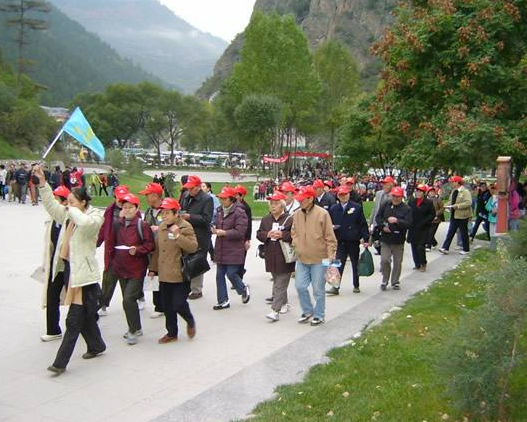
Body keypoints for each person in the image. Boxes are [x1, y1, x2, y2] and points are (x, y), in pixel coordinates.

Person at [35, 166, 106, 375]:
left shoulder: (94, 216)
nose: (67, 205)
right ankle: (97, 345)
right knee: (84, 318)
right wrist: (42, 183)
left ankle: (60, 363)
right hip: (69, 272)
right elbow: (51, 206)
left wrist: (72, 209)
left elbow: (83, 221)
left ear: (83, 203)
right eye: (67, 202)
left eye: (72, 202)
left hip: (84, 276)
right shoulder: (69, 215)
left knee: (73, 320)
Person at [149, 198, 199, 344]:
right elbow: (158, 251)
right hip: (164, 274)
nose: (164, 216)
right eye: (162, 213)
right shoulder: (162, 227)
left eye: (167, 213)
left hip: (180, 274)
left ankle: (190, 320)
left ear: (176, 213)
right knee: (167, 305)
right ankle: (171, 333)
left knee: (178, 303)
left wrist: (178, 236)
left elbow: (193, 247)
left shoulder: (185, 227)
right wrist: (153, 269)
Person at [291, 185, 337, 326]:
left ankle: (319, 314)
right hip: (302, 258)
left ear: (311, 198)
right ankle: (307, 311)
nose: (299, 201)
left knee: (318, 289)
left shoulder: (322, 214)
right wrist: (296, 244)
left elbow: (330, 237)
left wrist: (331, 257)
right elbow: (294, 232)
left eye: (302, 199)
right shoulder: (297, 214)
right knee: (300, 286)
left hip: (320, 259)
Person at [112, 194, 155, 345]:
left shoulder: (142, 225)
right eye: (125, 207)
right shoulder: (118, 223)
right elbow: (112, 243)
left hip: (137, 268)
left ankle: (132, 330)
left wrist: (136, 249)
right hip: (121, 267)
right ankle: (136, 327)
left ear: (137, 208)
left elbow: (149, 245)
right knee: (128, 301)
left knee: (128, 299)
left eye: (131, 207)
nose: (128, 210)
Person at [97, 185, 141, 315]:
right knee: (109, 277)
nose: (121, 201)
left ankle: (132, 300)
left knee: (128, 278)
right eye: (118, 198)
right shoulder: (110, 210)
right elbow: (104, 227)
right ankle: (103, 303)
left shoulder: (134, 211)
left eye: (123, 198)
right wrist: (97, 242)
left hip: (127, 251)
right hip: (112, 249)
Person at [256, 192, 295, 322]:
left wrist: (282, 235)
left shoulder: (290, 219)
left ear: (282, 205)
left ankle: (275, 310)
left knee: (279, 284)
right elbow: (259, 234)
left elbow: (295, 235)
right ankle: (284, 303)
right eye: (271, 204)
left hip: (285, 257)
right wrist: (267, 234)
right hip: (270, 256)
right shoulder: (266, 219)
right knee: (277, 280)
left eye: (276, 203)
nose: (273, 206)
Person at [40, 185, 70, 342]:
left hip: (71, 265)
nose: (53, 203)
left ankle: (90, 319)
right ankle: (53, 330)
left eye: (56, 199)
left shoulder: (72, 218)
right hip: (56, 265)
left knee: (79, 299)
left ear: (65, 202)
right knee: (52, 296)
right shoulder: (51, 221)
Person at [212, 187, 250, 310]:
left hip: (234, 249)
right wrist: (213, 228)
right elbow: (215, 223)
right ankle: (223, 300)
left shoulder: (240, 212)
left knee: (231, 273)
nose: (222, 200)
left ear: (231, 199)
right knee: (219, 275)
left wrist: (225, 233)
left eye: (224, 198)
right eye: (221, 198)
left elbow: (240, 232)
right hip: (221, 248)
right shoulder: (219, 211)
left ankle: (243, 289)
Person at [326, 185, 370, 295]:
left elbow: (363, 224)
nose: (343, 196)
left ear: (349, 195)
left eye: (345, 194)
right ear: (338, 196)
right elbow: (328, 223)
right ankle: (335, 286)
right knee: (338, 264)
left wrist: (366, 238)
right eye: (341, 195)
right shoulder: (334, 209)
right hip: (340, 240)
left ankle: (356, 285)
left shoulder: (356, 207)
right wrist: (331, 228)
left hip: (353, 240)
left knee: (355, 264)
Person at [180, 176, 214, 300]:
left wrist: (190, 217)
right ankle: (186, 285)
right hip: (186, 232)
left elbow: (207, 219)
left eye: (192, 188)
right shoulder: (186, 196)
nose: (190, 190)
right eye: (188, 188)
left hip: (200, 234)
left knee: (196, 261)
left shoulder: (207, 199)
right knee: (184, 259)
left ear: (199, 187)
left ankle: (196, 289)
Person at [375, 187, 412, 290]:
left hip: (398, 239)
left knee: (397, 262)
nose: (395, 198)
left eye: (398, 196)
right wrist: (383, 226)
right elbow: (378, 217)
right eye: (393, 196)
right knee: (385, 260)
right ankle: (384, 280)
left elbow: (409, 224)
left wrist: (397, 221)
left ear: (401, 197)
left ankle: (395, 281)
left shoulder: (406, 209)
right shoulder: (386, 204)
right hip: (386, 238)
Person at [139, 182, 165, 318]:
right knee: (153, 276)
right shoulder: (149, 211)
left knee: (165, 279)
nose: (146, 198)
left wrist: (160, 228)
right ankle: (158, 306)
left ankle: (167, 304)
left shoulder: (167, 209)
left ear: (155, 196)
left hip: (165, 250)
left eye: (148, 195)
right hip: (151, 249)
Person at [439, 176, 472, 255]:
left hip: (462, 215)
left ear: (457, 182)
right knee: (451, 231)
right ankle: (445, 248)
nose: (451, 183)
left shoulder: (465, 192)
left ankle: (466, 249)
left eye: (453, 182)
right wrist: (446, 205)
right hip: (454, 214)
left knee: (463, 232)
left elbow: (468, 202)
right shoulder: (454, 191)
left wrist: (457, 206)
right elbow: (451, 201)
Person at [407, 184, 435, 272]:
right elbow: (407, 211)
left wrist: (424, 222)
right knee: (413, 246)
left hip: (423, 228)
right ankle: (417, 264)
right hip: (413, 227)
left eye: (420, 191)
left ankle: (423, 263)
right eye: (417, 191)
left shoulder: (428, 203)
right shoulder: (412, 201)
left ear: (424, 193)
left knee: (420, 246)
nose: (418, 193)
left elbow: (432, 214)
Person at [369, 176, 395, 254]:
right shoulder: (379, 194)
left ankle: (386, 253)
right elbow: (375, 208)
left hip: (387, 222)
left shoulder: (394, 195)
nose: (384, 186)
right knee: (375, 239)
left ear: (392, 185)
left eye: (387, 184)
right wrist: (371, 221)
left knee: (385, 240)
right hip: (377, 221)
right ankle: (381, 251)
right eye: (383, 184)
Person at [234, 185, 252, 280]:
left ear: (242, 196)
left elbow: (249, 225)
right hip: (234, 236)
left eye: (237, 195)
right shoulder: (232, 205)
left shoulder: (246, 208)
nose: (235, 197)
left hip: (243, 236)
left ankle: (239, 277)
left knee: (241, 258)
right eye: (234, 194)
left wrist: (247, 239)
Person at [201, 181, 220, 261]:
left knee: (207, 238)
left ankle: (213, 255)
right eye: (201, 186)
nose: (202, 188)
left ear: (208, 188)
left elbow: (217, 209)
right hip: (202, 220)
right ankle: (213, 255)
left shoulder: (212, 197)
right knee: (207, 239)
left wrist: (213, 220)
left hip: (209, 221)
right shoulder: (201, 197)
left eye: (204, 186)